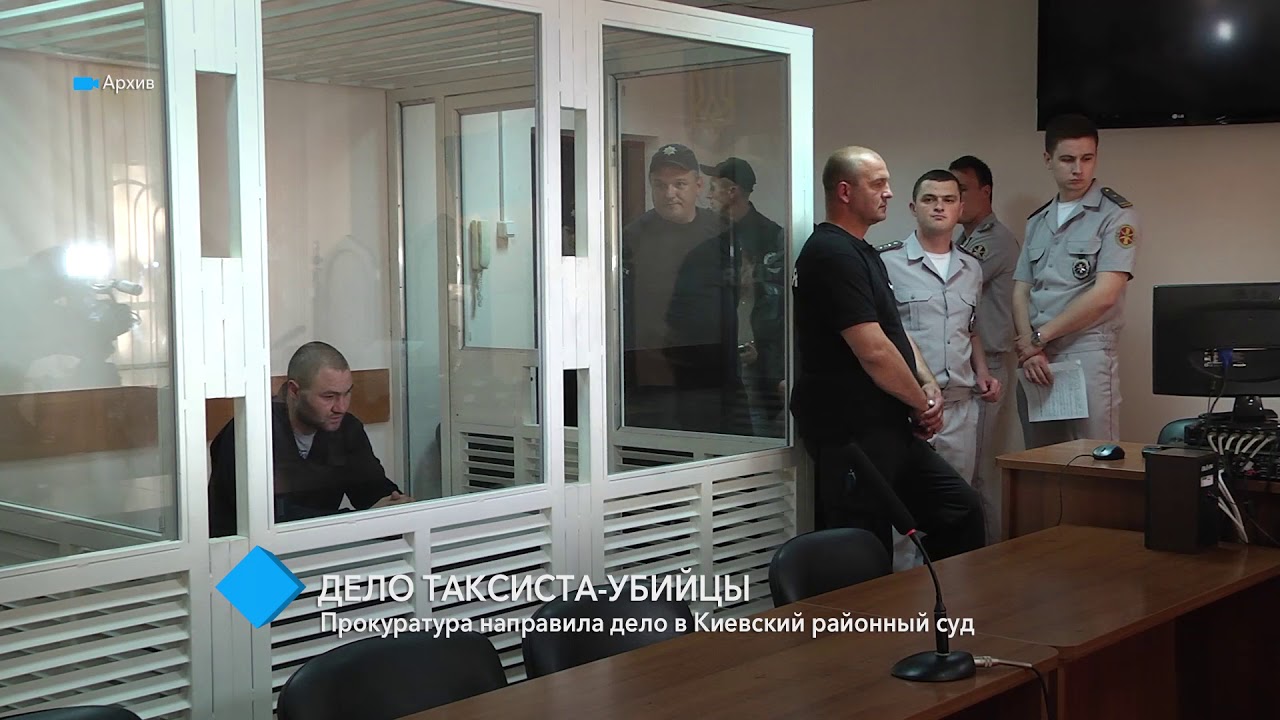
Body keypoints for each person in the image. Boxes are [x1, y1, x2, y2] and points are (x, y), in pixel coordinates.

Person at [790, 146, 986, 564]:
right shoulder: (830, 252)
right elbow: (874, 351)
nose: (889, 193)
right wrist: (920, 404)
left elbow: (893, 331)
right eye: (878, 183)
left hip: (888, 426)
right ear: (845, 191)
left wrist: (926, 383)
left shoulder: (862, 251)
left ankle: (941, 602)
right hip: (851, 431)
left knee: (960, 509)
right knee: (865, 547)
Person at [1013, 114, 1139, 447]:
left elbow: (1105, 295)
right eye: (1068, 159)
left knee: (1096, 457)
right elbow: (1021, 289)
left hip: (1086, 350)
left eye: (1087, 158)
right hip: (1037, 357)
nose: (1078, 169)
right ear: (1048, 159)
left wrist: (1039, 338)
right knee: (1040, 459)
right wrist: (1029, 347)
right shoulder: (1038, 221)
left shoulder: (1117, 215)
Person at [208, 341, 412, 537]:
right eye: (329, 397)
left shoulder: (347, 429)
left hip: (318, 545)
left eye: (347, 394)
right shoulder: (252, 433)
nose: (341, 407)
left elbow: (371, 487)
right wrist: (358, 519)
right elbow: (271, 518)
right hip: (244, 555)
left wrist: (395, 504)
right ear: (294, 391)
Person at [665, 156, 786, 437]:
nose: (708, 195)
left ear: (732, 192)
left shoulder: (770, 238)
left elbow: (779, 304)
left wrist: (766, 353)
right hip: (714, 365)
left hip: (757, 366)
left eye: (713, 188)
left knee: (756, 437)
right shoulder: (710, 241)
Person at [620, 143, 724, 431]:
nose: (669, 193)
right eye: (660, 185)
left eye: (679, 184)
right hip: (655, 368)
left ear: (698, 185)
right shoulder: (632, 237)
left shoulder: (721, 230)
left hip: (710, 365)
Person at [949, 155, 1021, 541]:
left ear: (985, 192)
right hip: (968, 365)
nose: (955, 200)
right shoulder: (965, 240)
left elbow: (952, 281)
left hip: (987, 366)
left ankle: (988, 554)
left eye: (962, 190)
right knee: (963, 470)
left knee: (976, 473)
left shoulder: (994, 241)